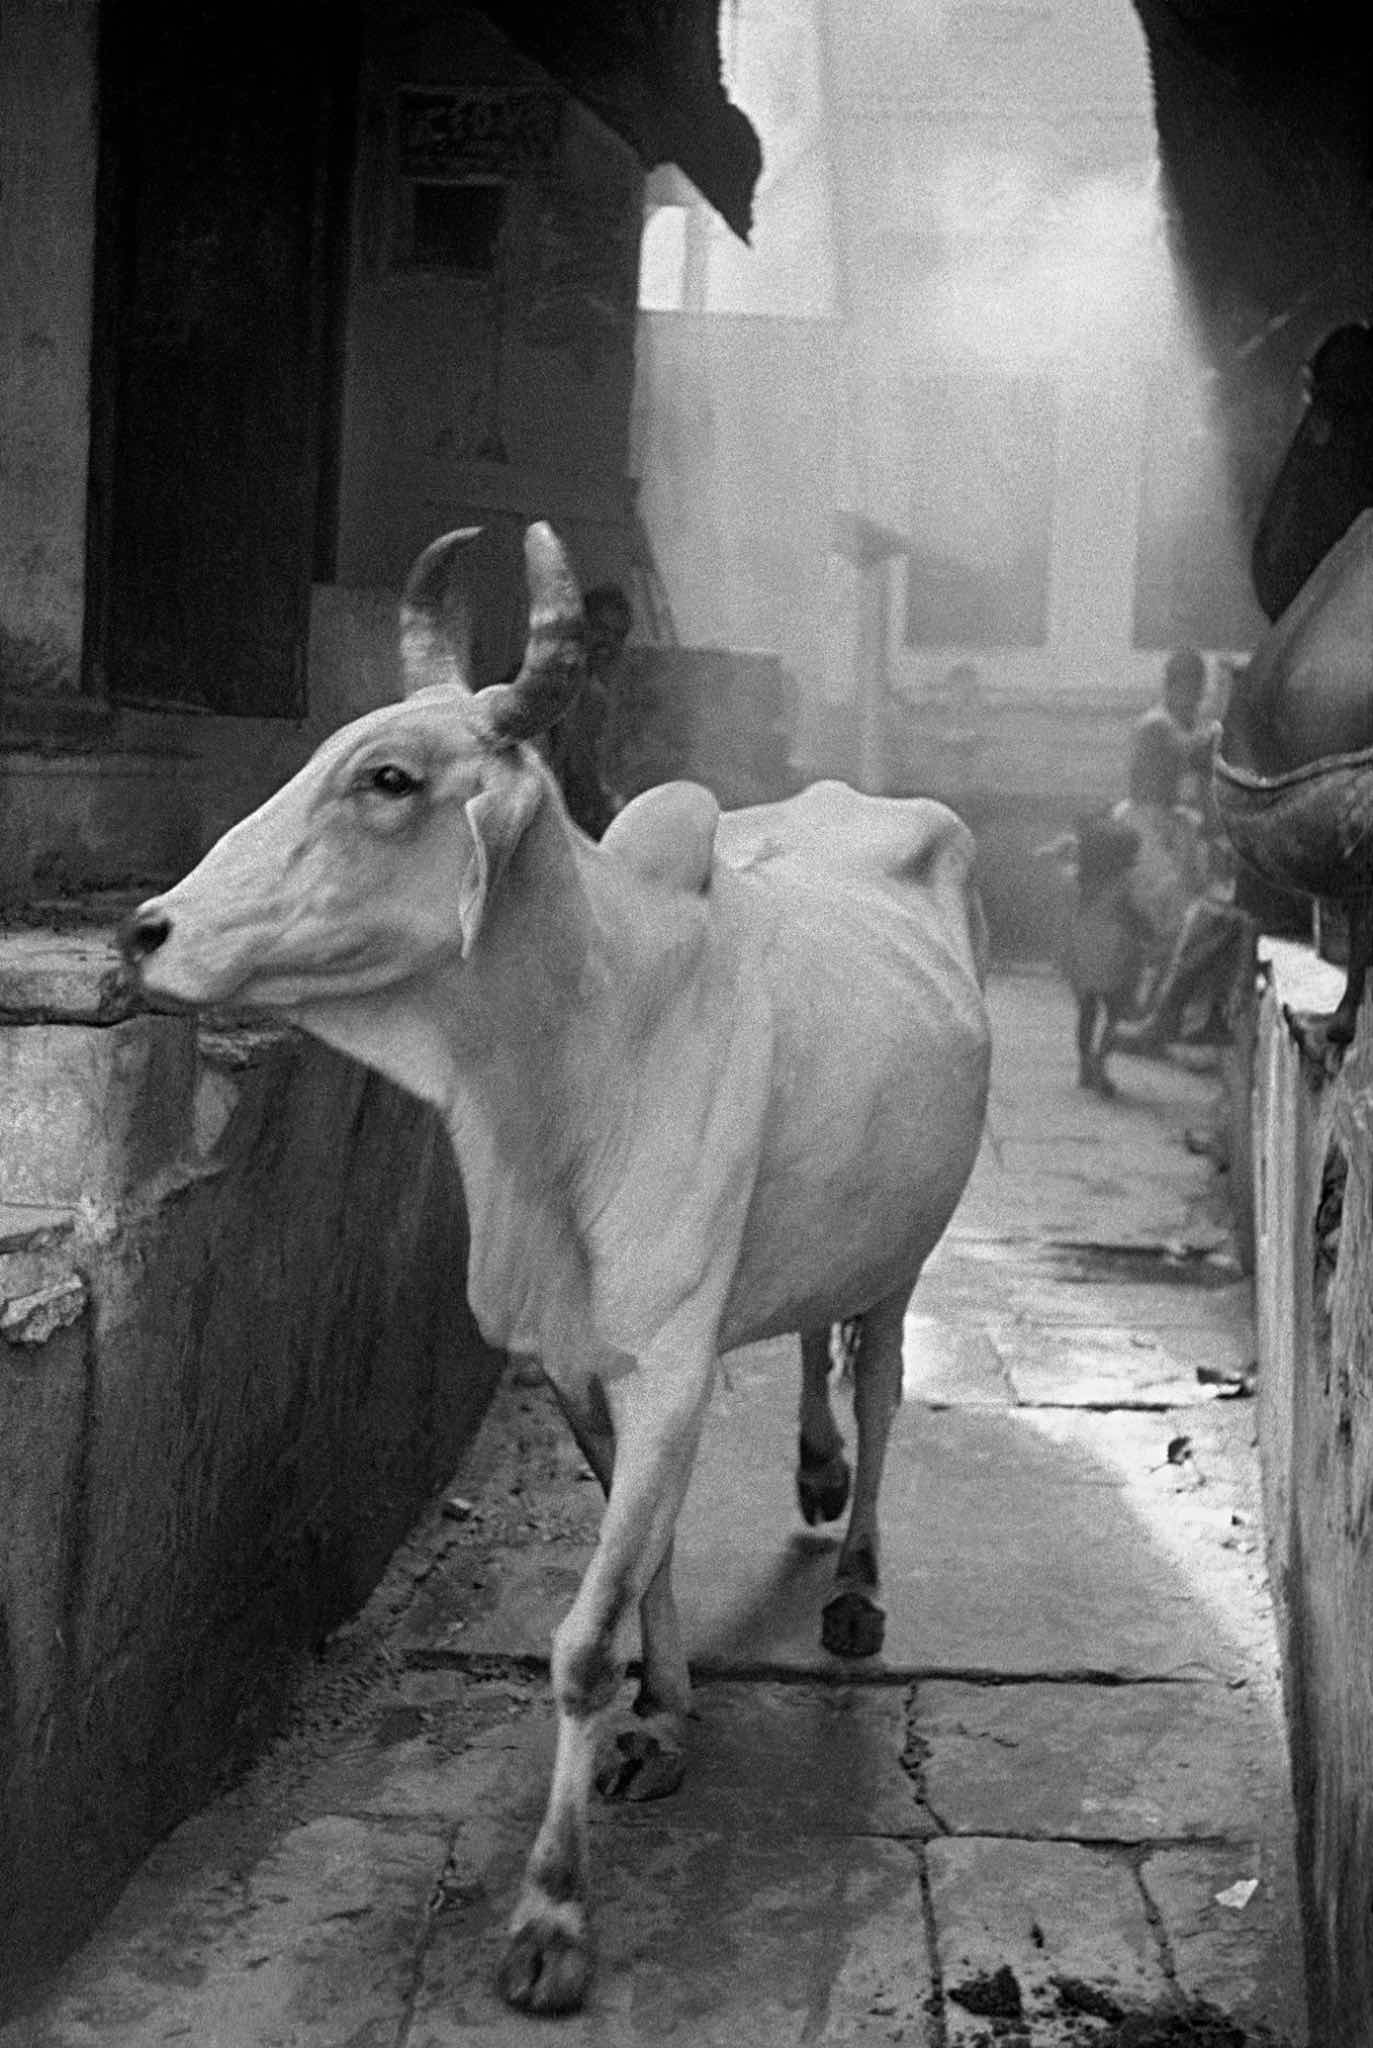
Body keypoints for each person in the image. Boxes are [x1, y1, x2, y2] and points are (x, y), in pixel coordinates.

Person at [539, 582, 633, 840]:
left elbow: (588, 768)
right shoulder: (546, 682)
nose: (609, 642)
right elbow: (574, 767)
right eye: (601, 629)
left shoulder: (594, 696)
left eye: (618, 635)